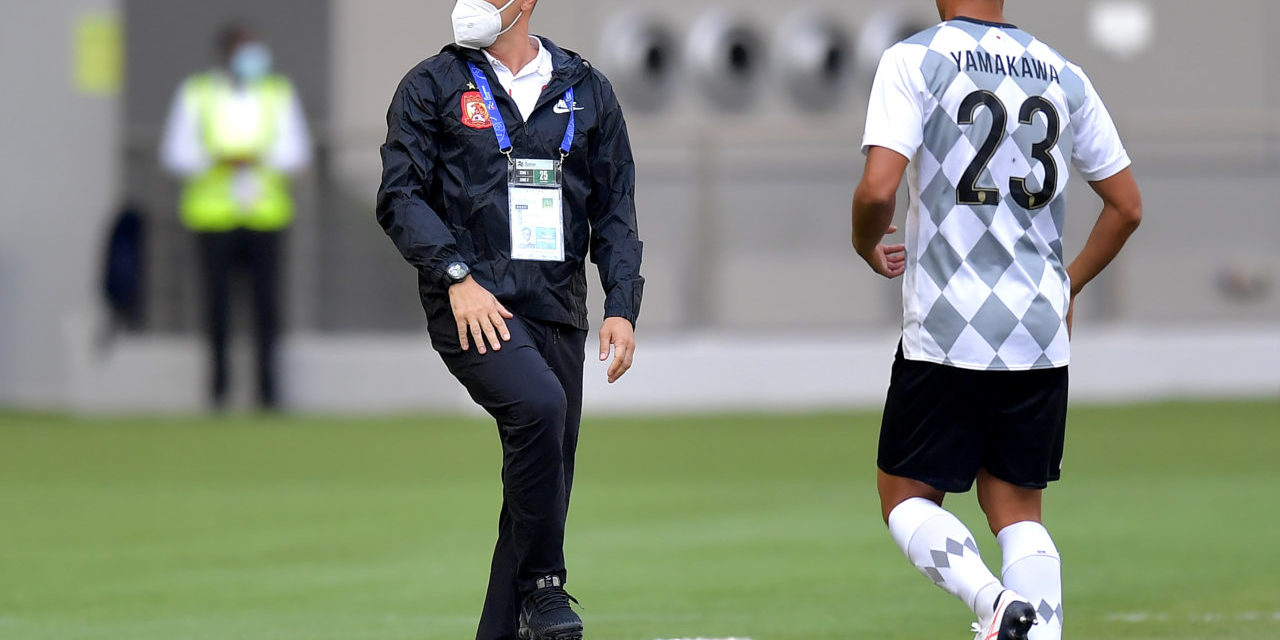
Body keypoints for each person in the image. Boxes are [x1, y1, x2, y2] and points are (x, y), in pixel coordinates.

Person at [851, 1, 1142, 639]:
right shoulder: (1063, 73)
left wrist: (865, 240)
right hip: (1038, 330)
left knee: (904, 499)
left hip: (950, 326)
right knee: (1018, 511)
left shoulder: (915, 59)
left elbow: (877, 190)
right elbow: (1125, 206)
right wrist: (1069, 284)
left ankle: (994, 602)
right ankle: (1039, 630)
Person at [376, 1, 644, 639]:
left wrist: (622, 306)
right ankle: (546, 588)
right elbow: (399, 194)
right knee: (538, 408)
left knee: (542, 483)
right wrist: (455, 276)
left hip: (558, 307)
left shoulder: (586, 90)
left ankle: (506, 624)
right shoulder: (431, 85)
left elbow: (615, 208)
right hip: (472, 306)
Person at [160, 23, 312, 411]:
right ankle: (218, 392)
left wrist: (256, 157)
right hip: (213, 219)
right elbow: (176, 153)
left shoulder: (276, 92)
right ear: (225, 53)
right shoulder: (197, 93)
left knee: (267, 308)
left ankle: (269, 394)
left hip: (265, 216)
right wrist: (219, 159)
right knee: (217, 309)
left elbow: (296, 151)